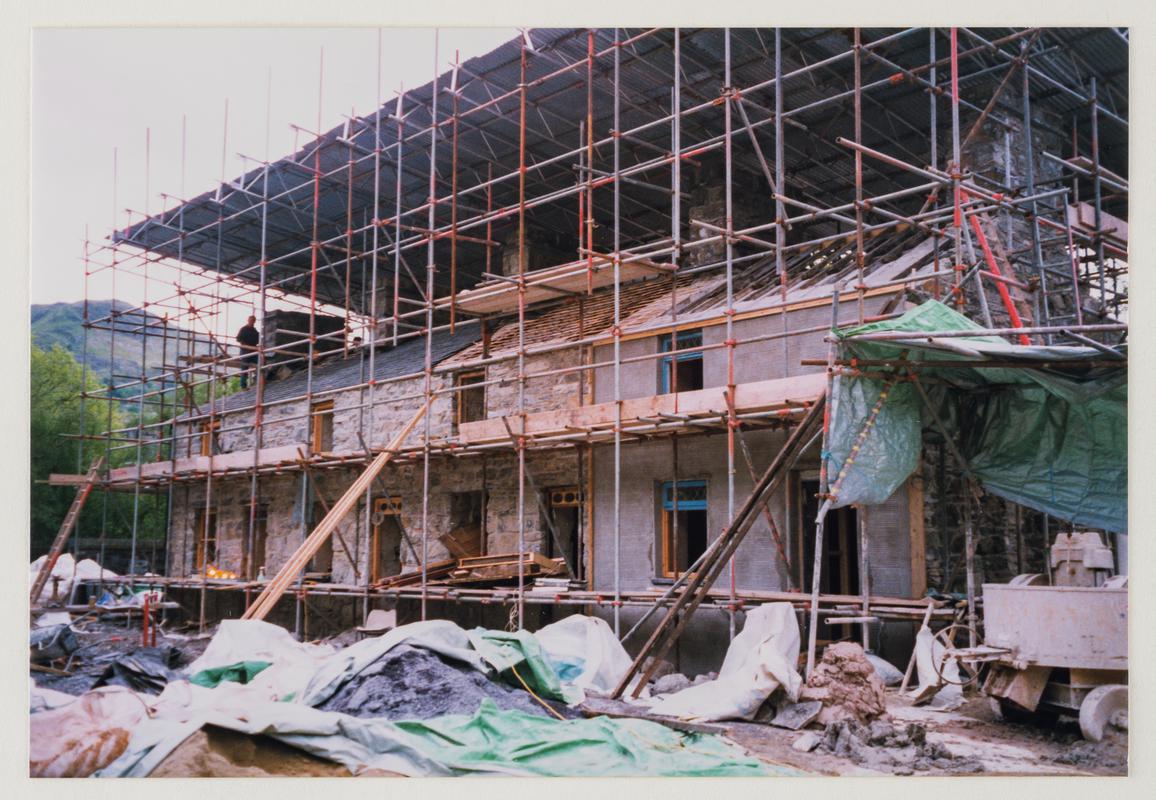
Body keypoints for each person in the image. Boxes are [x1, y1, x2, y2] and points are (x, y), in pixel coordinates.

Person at [236, 315, 260, 389]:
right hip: (245, 352)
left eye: (253, 320)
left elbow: (258, 340)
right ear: (248, 320)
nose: (252, 321)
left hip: (253, 352)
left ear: (254, 321)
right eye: (251, 320)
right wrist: (244, 344)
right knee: (244, 369)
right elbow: (238, 338)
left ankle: (259, 381)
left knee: (260, 363)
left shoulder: (255, 331)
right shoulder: (243, 329)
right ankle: (243, 386)